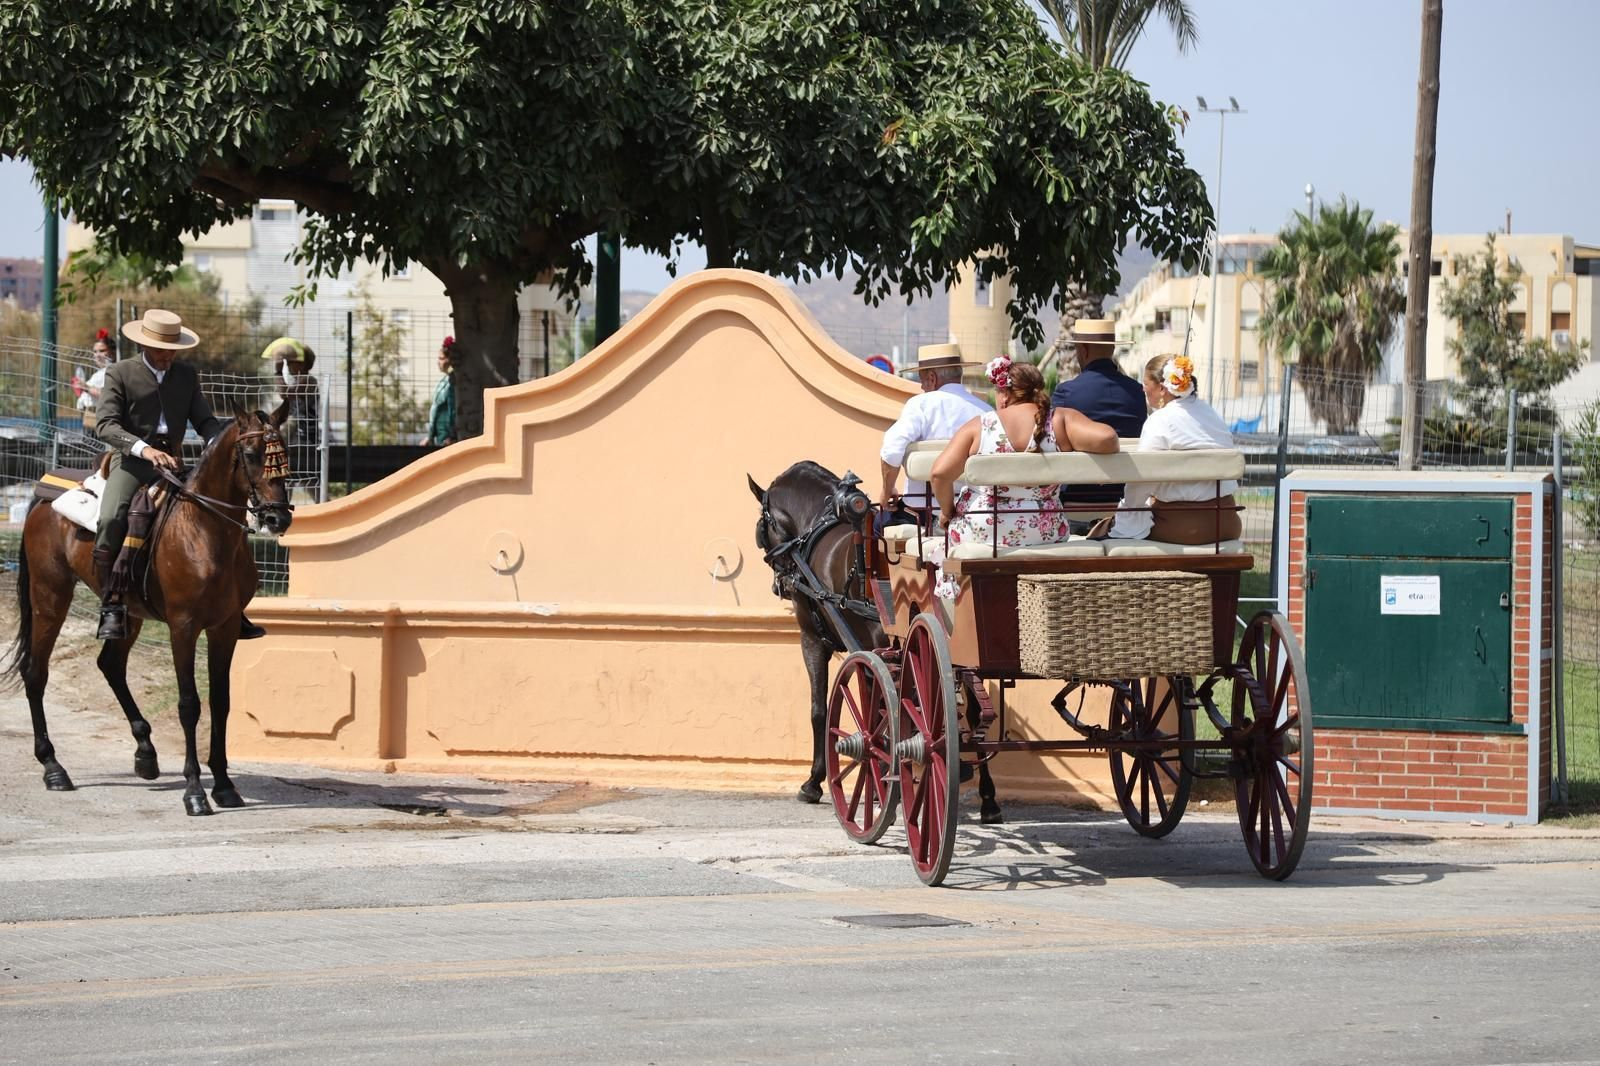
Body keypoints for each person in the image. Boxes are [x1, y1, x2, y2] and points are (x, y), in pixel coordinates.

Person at [93, 310, 266, 642]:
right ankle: (112, 602)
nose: (167, 356)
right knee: (113, 516)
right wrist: (144, 449)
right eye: (161, 350)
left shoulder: (185, 376)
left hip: (174, 463)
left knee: (222, 515)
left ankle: (233, 602)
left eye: (172, 349)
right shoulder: (120, 373)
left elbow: (204, 420)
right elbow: (106, 425)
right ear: (145, 345)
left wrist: (219, 443)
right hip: (131, 462)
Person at [931, 356, 1119, 557]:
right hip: (1045, 530)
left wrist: (948, 511)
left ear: (1004, 393)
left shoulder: (980, 426)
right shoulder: (1060, 420)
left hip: (984, 530)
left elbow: (939, 474)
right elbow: (1108, 439)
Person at [1104, 354, 1241, 544]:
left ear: (1162, 388)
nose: (1143, 388)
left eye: (1145, 384)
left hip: (1187, 527)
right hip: (1228, 523)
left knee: (1116, 525)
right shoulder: (1211, 414)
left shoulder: (1160, 420)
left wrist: (1126, 512)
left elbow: (1141, 481)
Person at [876, 342, 991, 531]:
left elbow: (891, 450)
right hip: (973, 510)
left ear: (932, 378)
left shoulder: (920, 405)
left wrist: (886, 492)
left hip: (920, 513)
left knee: (877, 524)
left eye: (922, 380)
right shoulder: (985, 410)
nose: (922, 386)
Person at [1049, 318, 1146, 531]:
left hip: (1077, 500)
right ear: (1112, 348)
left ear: (1082, 350)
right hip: (1126, 498)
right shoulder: (1137, 392)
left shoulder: (1066, 393)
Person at [261, 337, 320, 482]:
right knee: (291, 480)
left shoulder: (309, 380)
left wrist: (278, 372)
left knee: (308, 479)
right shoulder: (297, 380)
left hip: (305, 437)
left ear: (302, 363)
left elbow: (285, 394)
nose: (288, 365)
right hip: (295, 438)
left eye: (291, 362)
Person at [74, 328, 115, 429]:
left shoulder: (113, 372)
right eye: (95, 351)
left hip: (102, 420)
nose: (97, 355)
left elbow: (107, 395)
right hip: (91, 418)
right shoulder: (98, 373)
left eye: (102, 351)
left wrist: (86, 387)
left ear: (112, 352)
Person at [428, 336, 457, 447]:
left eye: (441, 358)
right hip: (439, 438)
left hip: (447, 440)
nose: (438, 362)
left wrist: (452, 436)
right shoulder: (445, 380)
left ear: (449, 360)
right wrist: (430, 436)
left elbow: (453, 410)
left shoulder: (453, 382)